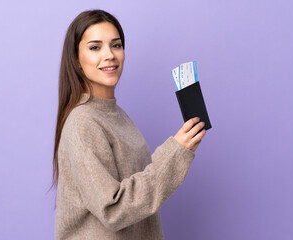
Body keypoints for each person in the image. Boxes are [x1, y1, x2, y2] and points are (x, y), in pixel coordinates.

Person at [52, 9, 206, 240]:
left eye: (116, 45)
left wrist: (181, 149)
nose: (110, 55)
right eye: (95, 47)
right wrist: (175, 153)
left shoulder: (117, 115)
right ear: (76, 59)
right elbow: (113, 209)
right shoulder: (83, 122)